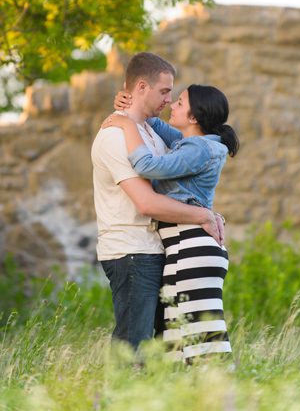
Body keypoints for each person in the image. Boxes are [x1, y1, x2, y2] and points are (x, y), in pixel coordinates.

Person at [91, 52, 225, 352]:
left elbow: (182, 184)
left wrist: (206, 212)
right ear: (141, 87)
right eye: (165, 92)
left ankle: (158, 398)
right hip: (131, 252)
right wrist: (203, 215)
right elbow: (147, 204)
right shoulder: (116, 135)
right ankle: (119, 399)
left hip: (159, 249)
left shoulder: (151, 132)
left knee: (168, 348)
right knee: (133, 346)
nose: (169, 100)